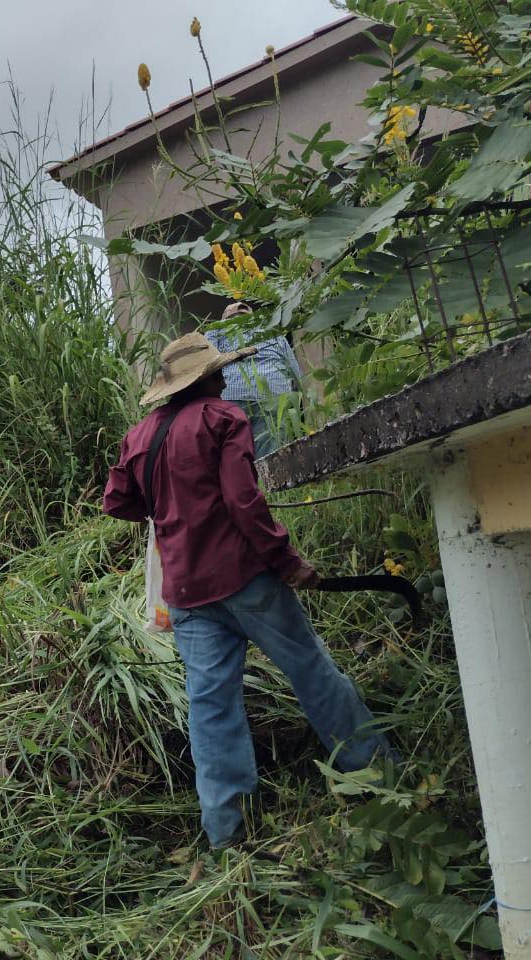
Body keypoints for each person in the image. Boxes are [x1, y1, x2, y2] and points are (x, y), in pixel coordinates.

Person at [103, 333, 394, 850]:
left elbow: (118, 501)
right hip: (245, 580)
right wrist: (287, 562)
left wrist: (172, 510)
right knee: (312, 671)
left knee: (211, 708)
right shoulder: (222, 418)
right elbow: (243, 503)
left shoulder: (140, 437)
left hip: (187, 595)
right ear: (212, 377)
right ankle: (380, 777)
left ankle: (226, 834)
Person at [203, 301, 301, 458]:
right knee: (272, 455)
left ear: (225, 317)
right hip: (274, 395)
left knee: (236, 455)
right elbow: (295, 372)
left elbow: (207, 365)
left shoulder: (217, 329)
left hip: (233, 395)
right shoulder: (272, 330)